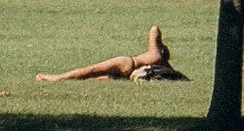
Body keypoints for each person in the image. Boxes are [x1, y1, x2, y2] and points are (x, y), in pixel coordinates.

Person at [40, 24, 185, 84]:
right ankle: (62, 80)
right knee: (92, 77)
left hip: (127, 62)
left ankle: (58, 78)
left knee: (91, 70)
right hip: (129, 74)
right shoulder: (165, 65)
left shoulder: (155, 51)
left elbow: (154, 29)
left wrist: (159, 41)